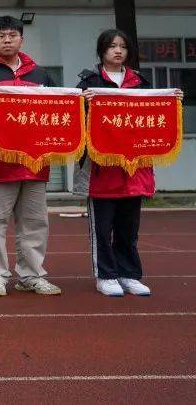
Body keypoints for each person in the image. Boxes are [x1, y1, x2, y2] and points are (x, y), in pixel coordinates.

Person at [75, 29, 181, 298]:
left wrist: (172, 102)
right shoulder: (89, 82)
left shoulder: (141, 82)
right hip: (101, 169)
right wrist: (83, 103)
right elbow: (73, 121)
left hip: (134, 168)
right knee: (103, 228)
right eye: (112, 46)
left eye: (122, 46)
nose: (118, 51)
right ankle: (106, 275)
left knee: (128, 227)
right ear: (102, 51)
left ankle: (129, 274)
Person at [0, 15, 61, 297]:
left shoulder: (41, 75)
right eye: (1, 36)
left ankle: (32, 275)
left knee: (35, 220)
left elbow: (58, 110)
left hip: (34, 161)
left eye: (12, 35)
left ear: (21, 39)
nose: (7, 40)